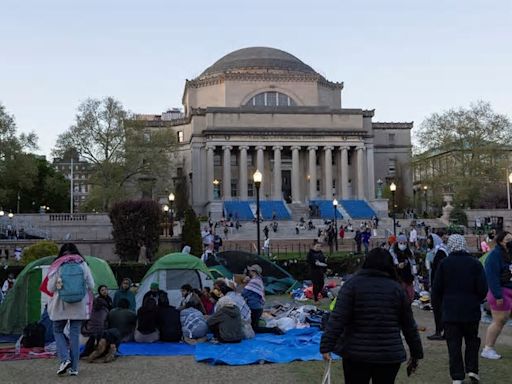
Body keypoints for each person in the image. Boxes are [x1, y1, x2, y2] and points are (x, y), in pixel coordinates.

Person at [320, 247, 423, 384]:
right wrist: (416, 353)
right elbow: (409, 325)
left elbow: (338, 318)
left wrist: (326, 345)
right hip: (388, 354)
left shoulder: (352, 285)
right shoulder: (396, 289)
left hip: (356, 354)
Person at [432, 234, 487, 384]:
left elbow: (436, 289)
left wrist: (439, 305)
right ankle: (472, 370)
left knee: (454, 344)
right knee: (472, 341)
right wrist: (477, 299)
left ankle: (457, 376)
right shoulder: (475, 263)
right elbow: (483, 288)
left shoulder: (444, 263)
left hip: (451, 310)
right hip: (471, 309)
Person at [42, 243, 95, 376]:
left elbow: (50, 288)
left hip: (61, 305)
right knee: (74, 335)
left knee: (58, 330)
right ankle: (74, 368)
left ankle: (65, 359)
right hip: (79, 304)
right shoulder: (83, 264)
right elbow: (92, 285)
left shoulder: (57, 264)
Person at [481, 231, 512, 360]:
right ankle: (488, 349)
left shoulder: (509, 254)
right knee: (499, 321)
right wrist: (498, 295)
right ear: (500, 241)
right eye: (508, 239)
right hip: (500, 291)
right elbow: (491, 277)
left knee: (502, 320)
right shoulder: (494, 255)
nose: (510, 241)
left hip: (509, 290)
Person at [426, 233, 449, 340]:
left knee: (439, 309)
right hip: (440, 285)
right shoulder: (438, 251)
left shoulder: (440, 252)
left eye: (429, 240)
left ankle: (439, 331)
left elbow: (437, 270)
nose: (428, 241)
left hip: (439, 286)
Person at [390, 234, 415, 303]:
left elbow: (413, 263)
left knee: (410, 296)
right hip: (399, 278)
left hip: (409, 278)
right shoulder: (393, 253)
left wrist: (414, 270)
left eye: (404, 243)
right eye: (401, 243)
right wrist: (397, 266)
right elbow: (391, 265)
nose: (403, 245)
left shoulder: (409, 252)